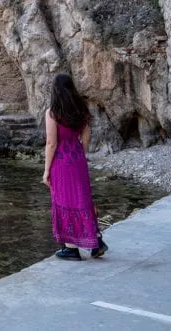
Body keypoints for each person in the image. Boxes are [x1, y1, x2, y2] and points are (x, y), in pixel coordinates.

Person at [41, 73, 107, 260]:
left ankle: (71, 248)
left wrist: (46, 170)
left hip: (61, 162)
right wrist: (79, 152)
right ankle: (96, 241)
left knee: (64, 200)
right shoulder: (81, 109)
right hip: (77, 158)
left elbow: (51, 143)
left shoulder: (53, 112)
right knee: (83, 198)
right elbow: (86, 135)